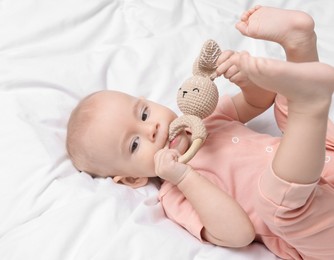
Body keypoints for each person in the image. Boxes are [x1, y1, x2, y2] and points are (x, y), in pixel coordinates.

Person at [66, 5, 334, 260]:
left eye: (144, 114)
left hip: (323, 156)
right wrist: (184, 177)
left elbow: (257, 101)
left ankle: (299, 45)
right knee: (277, 204)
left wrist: (245, 80)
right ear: (132, 179)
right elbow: (238, 234)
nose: (152, 129)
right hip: (316, 227)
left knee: (285, 109)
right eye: (134, 144)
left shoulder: (207, 118)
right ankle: (309, 105)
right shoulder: (175, 194)